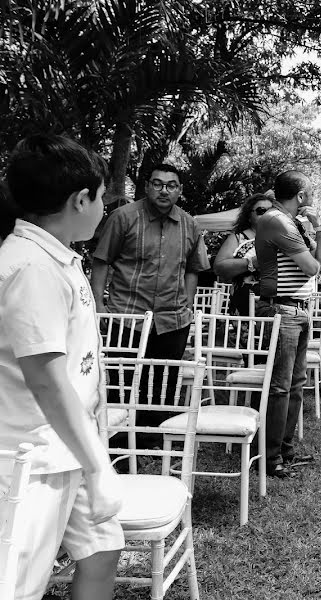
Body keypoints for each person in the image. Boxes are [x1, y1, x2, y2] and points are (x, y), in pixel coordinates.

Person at [0, 134, 124, 599]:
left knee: (102, 548)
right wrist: (98, 467)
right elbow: (47, 380)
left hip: (69, 443)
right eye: (102, 200)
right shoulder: (30, 267)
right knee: (18, 583)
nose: (103, 210)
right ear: (80, 199)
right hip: (32, 456)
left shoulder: (58, 257)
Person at [91, 164, 210, 407]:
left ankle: (156, 438)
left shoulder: (190, 224)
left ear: (180, 190)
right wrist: (99, 303)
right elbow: (102, 260)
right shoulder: (123, 217)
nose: (164, 191)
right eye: (157, 184)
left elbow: (193, 268)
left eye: (171, 186)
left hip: (173, 320)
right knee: (123, 382)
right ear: (147, 186)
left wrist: (186, 302)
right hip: (127, 316)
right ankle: (121, 438)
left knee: (163, 384)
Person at [253, 170, 321, 478]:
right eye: (309, 193)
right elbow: (313, 267)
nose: (311, 199)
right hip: (282, 311)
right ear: (300, 196)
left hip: (300, 311)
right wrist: (314, 245)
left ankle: (284, 450)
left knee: (295, 385)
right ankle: (270, 458)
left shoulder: (295, 224)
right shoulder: (277, 221)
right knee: (280, 388)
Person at [213, 193, 274, 316]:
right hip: (243, 306)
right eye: (261, 211)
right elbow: (219, 267)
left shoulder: (284, 237)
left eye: (272, 211)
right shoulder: (238, 238)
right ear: (249, 216)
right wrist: (252, 262)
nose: (267, 214)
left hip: (275, 306)